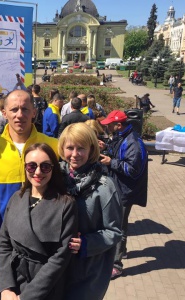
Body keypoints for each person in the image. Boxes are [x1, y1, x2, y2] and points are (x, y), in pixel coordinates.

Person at [0, 143, 78, 300]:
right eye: (32, 166)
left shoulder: (66, 204)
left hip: (45, 286)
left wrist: (27, 296)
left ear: (53, 169)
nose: (38, 172)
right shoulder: (16, 198)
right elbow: (2, 243)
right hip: (13, 281)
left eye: (45, 166)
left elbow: (61, 256)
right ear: (25, 167)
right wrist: (6, 286)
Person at [59, 123, 122, 299]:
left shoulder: (105, 186)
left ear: (91, 149)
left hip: (88, 270)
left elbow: (114, 231)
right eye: (70, 147)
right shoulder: (55, 177)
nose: (75, 154)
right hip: (57, 267)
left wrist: (86, 243)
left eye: (81, 148)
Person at [0, 90, 59, 231]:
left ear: (34, 113)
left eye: (25, 109)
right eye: (14, 109)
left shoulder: (54, 146)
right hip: (5, 236)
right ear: (4, 113)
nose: (20, 115)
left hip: (44, 233)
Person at [99, 110, 148, 279]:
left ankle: (116, 265)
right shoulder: (123, 136)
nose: (108, 127)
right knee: (121, 224)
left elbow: (132, 170)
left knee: (119, 227)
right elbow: (119, 154)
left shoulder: (133, 142)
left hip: (125, 191)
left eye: (110, 125)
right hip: (120, 187)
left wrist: (110, 162)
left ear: (118, 125)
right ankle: (122, 251)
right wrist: (106, 148)